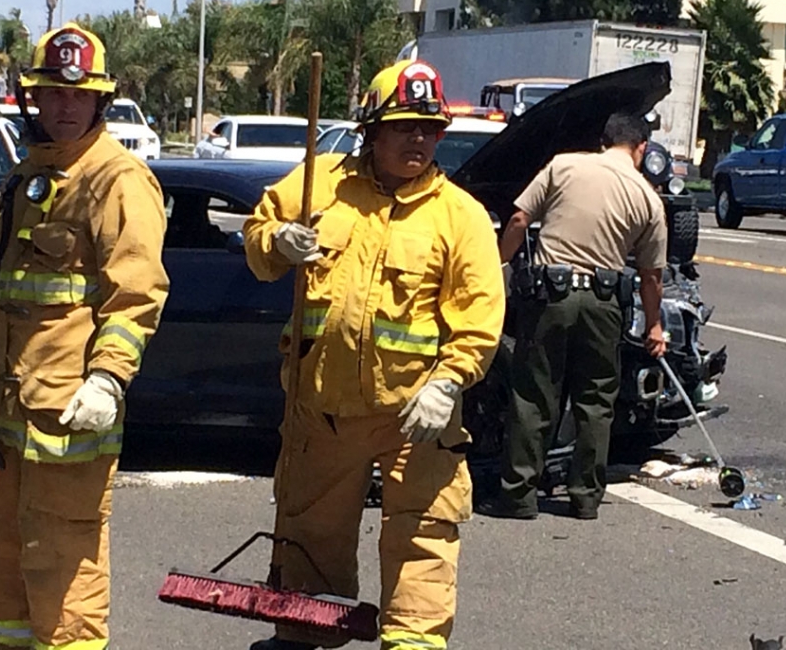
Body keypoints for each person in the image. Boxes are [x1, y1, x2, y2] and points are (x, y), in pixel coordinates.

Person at [243, 59, 504, 650]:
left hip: (417, 420)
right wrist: (276, 241)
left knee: (423, 539)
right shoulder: (320, 184)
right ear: (372, 130)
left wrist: (448, 382)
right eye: (405, 126)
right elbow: (259, 235)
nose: (419, 139)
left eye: (430, 129)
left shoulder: (459, 217)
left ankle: (412, 643)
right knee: (310, 531)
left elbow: (480, 316)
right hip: (323, 413)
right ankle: (303, 637)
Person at [0, 22, 169, 650]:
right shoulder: (26, 178)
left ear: (100, 102)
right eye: (54, 94)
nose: (66, 107)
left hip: (66, 424)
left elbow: (137, 294)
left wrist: (107, 378)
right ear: (34, 100)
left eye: (80, 97)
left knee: (65, 581)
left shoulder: (116, 181)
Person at [478, 112, 668, 521]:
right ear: (641, 149)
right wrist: (654, 326)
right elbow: (652, 276)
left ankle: (519, 496)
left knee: (534, 397)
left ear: (604, 140)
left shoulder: (564, 165)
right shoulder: (648, 198)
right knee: (596, 403)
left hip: (551, 298)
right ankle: (584, 498)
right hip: (604, 305)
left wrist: (496, 264)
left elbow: (517, 219)